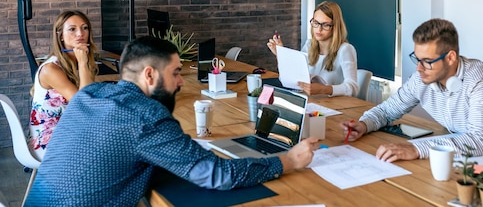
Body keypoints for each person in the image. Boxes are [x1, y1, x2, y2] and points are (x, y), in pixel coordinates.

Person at [24, 36, 319, 206]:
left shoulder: (91, 94)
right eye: (176, 72)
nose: (180, 82)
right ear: (149, 75)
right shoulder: (146, 116)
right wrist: (288, 162)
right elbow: (216, 175)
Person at [340, 18, 483, 162]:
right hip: (459, 158)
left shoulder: (481, 80)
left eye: (427, 61)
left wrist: (416, 148)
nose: (419, 68)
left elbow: (476, 141)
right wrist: (364, 124)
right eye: (417, 59)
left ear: (450, 57)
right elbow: (387, 110)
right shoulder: (423, 78)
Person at [28, 10, 98, 158]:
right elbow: (84, 104)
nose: (80, 34)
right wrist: (83, 63)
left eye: (85, 28)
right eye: (72, 29)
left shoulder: (75, 62)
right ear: (60, 35)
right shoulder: (51, 69)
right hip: (49, 141)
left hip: (70, 130)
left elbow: (91, 96)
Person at [267, 1, 358, 97]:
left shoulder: (346, 49)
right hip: (312, 102)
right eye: (316, 23)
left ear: (335, 26)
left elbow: (353, 87)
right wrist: (281, 55)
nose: (319, 29)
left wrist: (324, 89)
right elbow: (291, 80)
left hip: (335, 106)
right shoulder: (309, 45)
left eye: (325, 25)